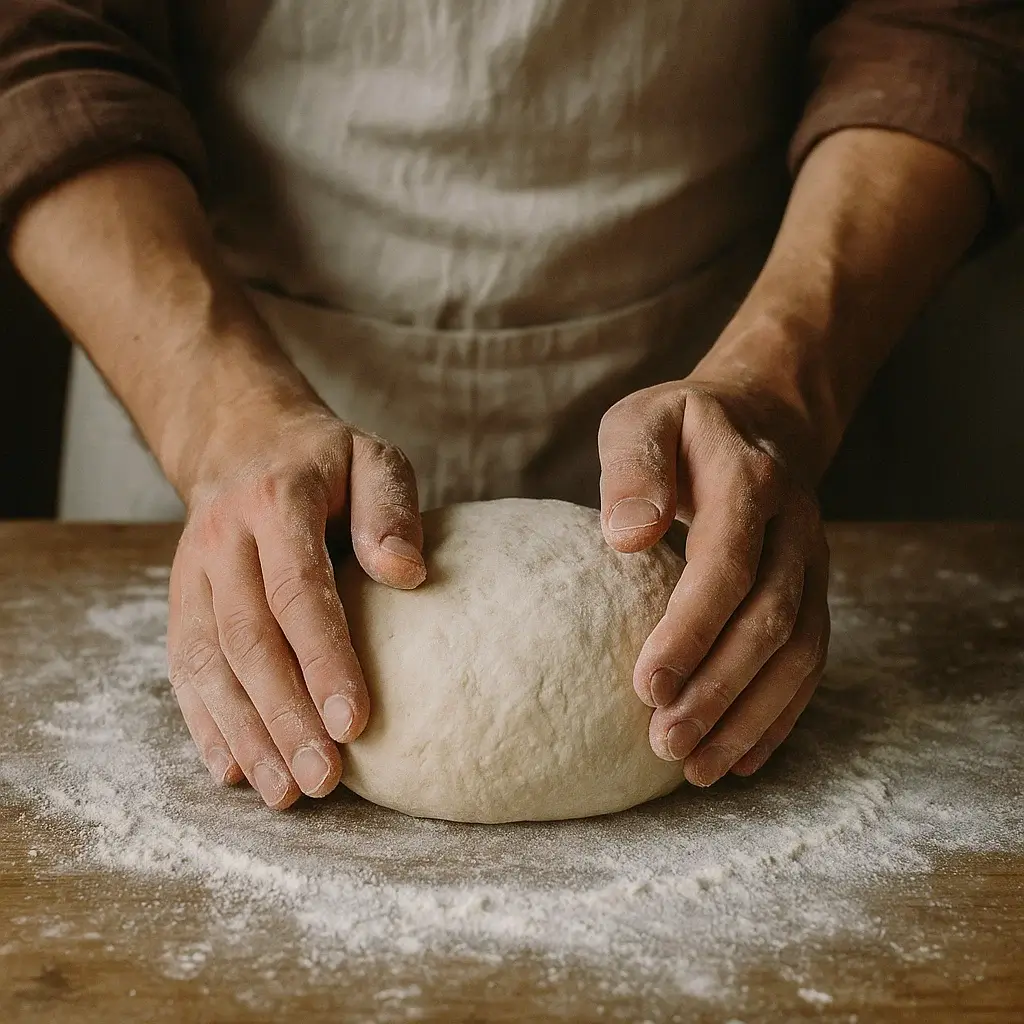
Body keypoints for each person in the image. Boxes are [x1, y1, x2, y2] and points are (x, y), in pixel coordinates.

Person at [1, 2, 1021, 811]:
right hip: (196, 344)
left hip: (746, 331)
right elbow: (30, 36)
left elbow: (948, 22)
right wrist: (219, 419)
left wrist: (780, 384)